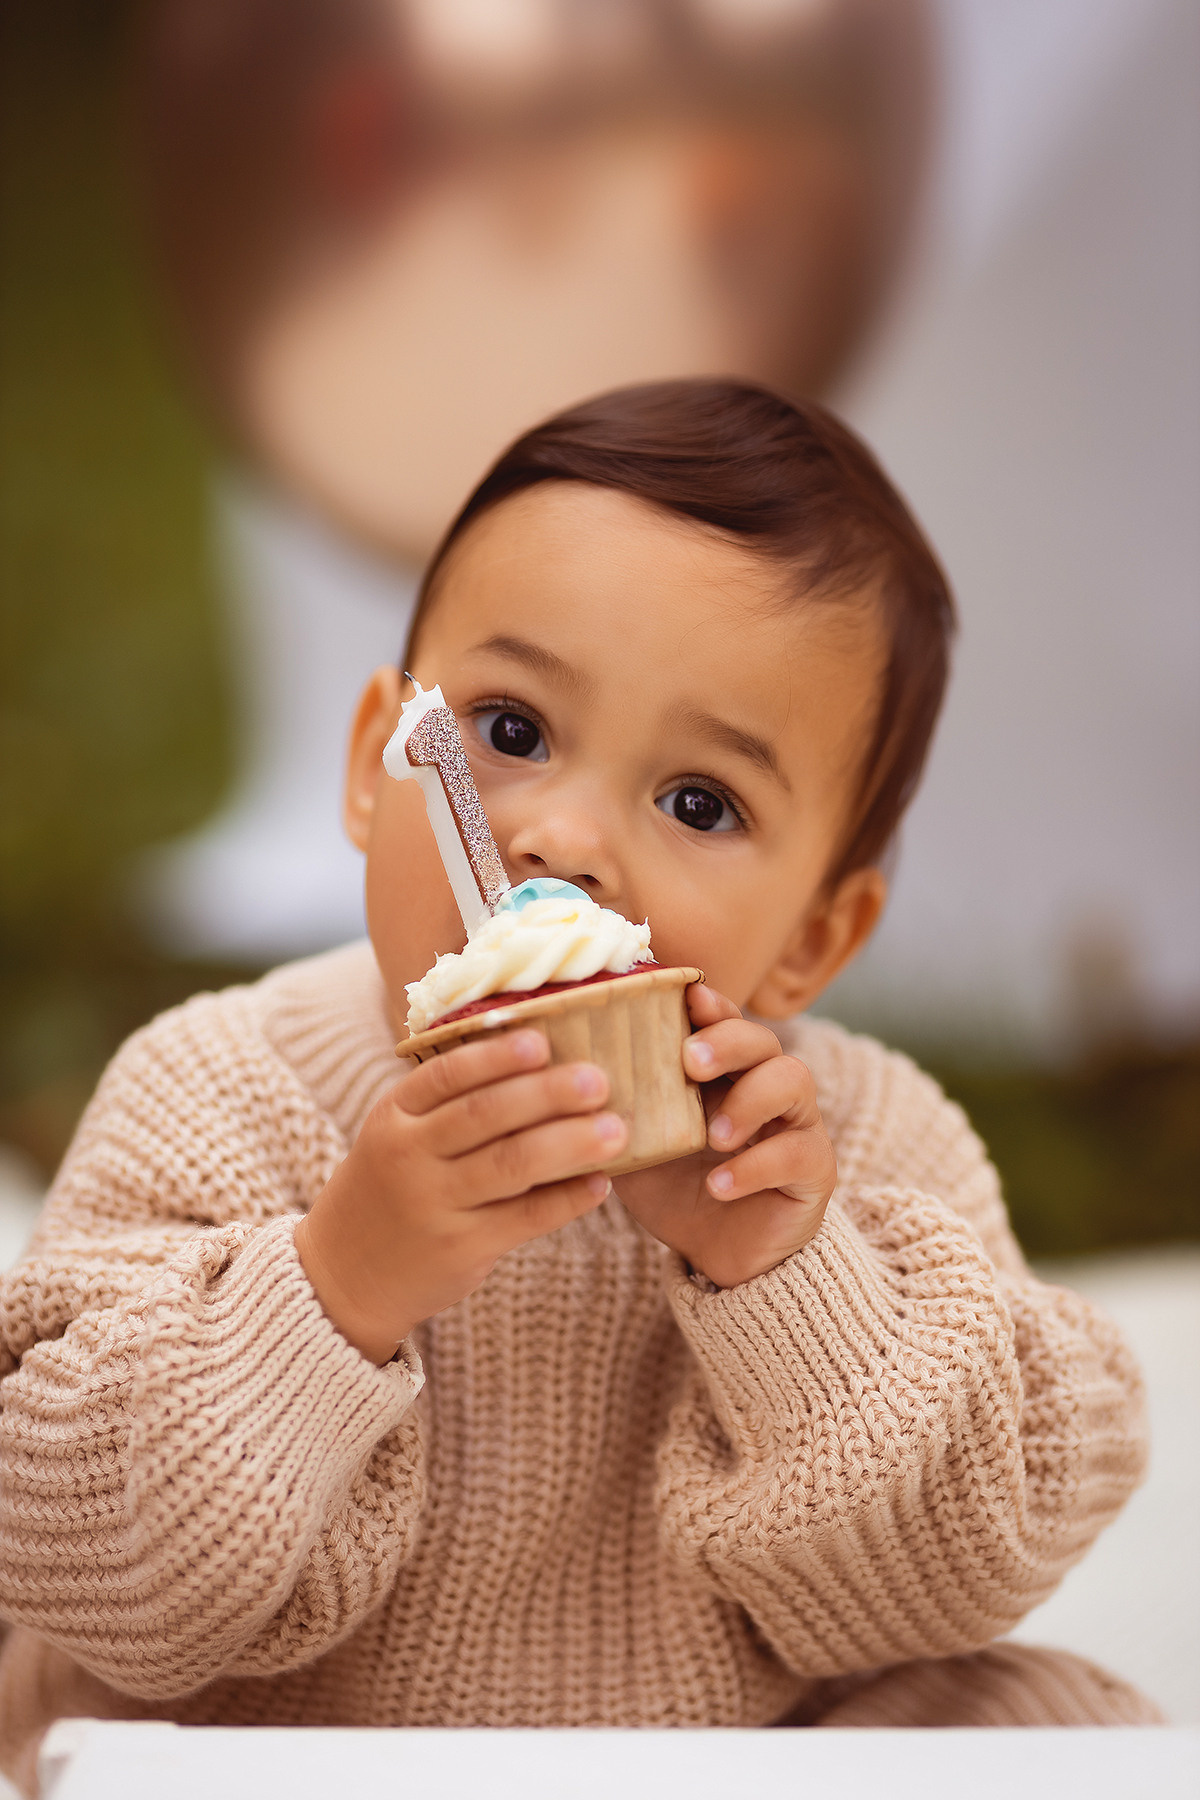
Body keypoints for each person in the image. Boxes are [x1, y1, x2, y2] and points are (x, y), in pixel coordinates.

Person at [0, 380, 1159, 1792]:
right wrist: (333, 1286)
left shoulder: (854, 1145)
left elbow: (956, 1576)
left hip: (731, 1757)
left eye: (698, 804)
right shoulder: (220, 1091)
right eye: (510, 730)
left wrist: (789, 1281)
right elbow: (80, 1557)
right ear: (377, 767)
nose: (566, 839)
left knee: (1055, 1733)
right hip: (293, 1748)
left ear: (811, 938)